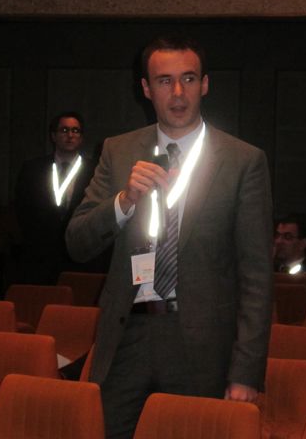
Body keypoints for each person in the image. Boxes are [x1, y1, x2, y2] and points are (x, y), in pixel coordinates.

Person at [66, 36, 273, 439]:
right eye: (164, 81)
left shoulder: (242, 161)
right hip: (128, 335)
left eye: (188, 79)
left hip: (200, 344)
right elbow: (77, 243)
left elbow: (257, 277)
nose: (178, 93)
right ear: (146, 88)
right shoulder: (118, 151)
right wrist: (124, 200)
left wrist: (246, 371)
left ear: (205, 84)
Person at [14, 111, 95, 285]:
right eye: (64, 130)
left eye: (75, 131)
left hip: (79, 253)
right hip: (40, 252)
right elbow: (22, 208)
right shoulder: (33, 169)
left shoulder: (95, 171)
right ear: (53, 136)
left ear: (81, 137)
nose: (70, 135)